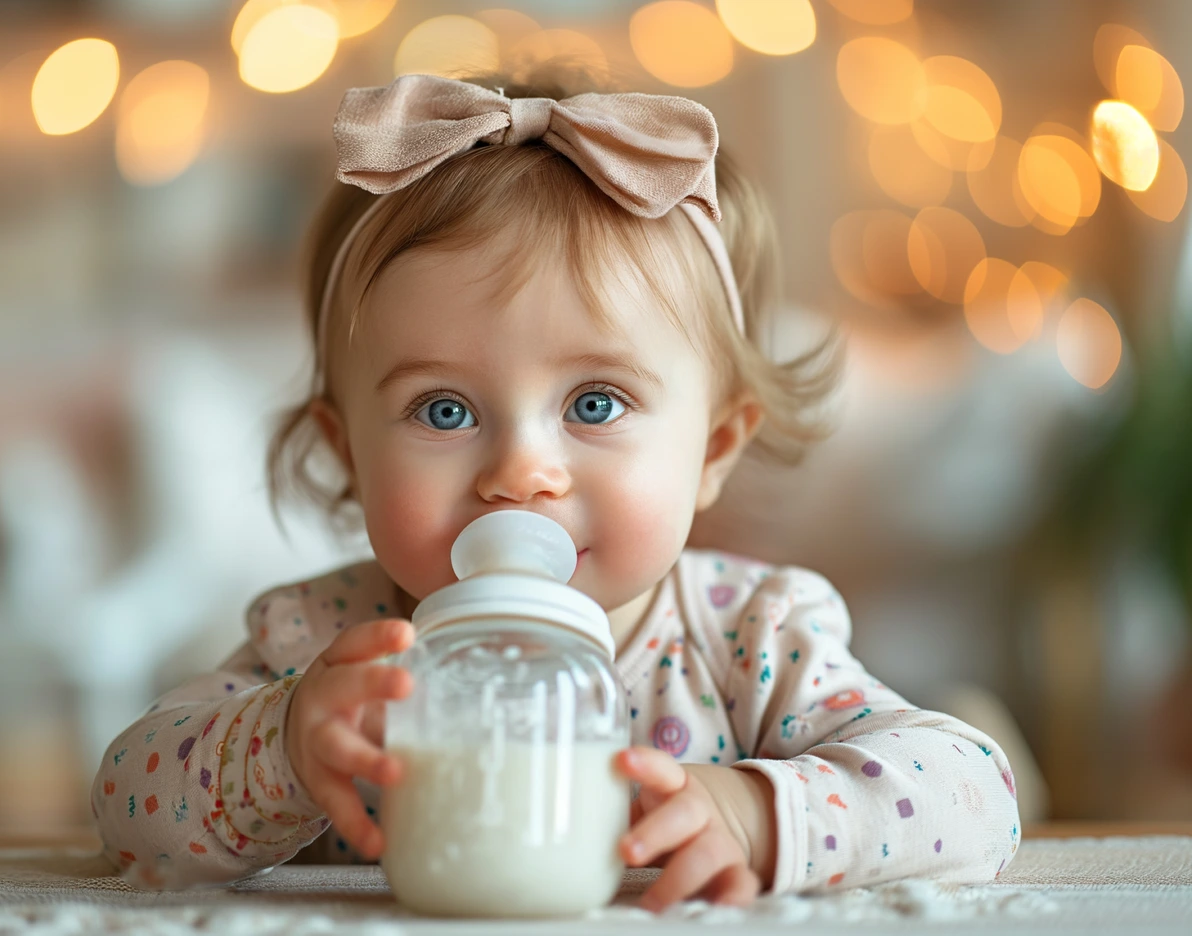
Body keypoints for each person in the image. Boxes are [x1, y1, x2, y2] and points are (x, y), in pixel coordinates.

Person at [92, 69, 1021, 907]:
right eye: (445, 411)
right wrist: (285, 746)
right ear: (348, 453)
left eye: (596, 402)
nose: (520, 472)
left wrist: (760, 814)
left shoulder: (749, 638)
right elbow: (126, 796)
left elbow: (972, 792)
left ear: (715, 449)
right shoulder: (329, 648)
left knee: (964, 730)